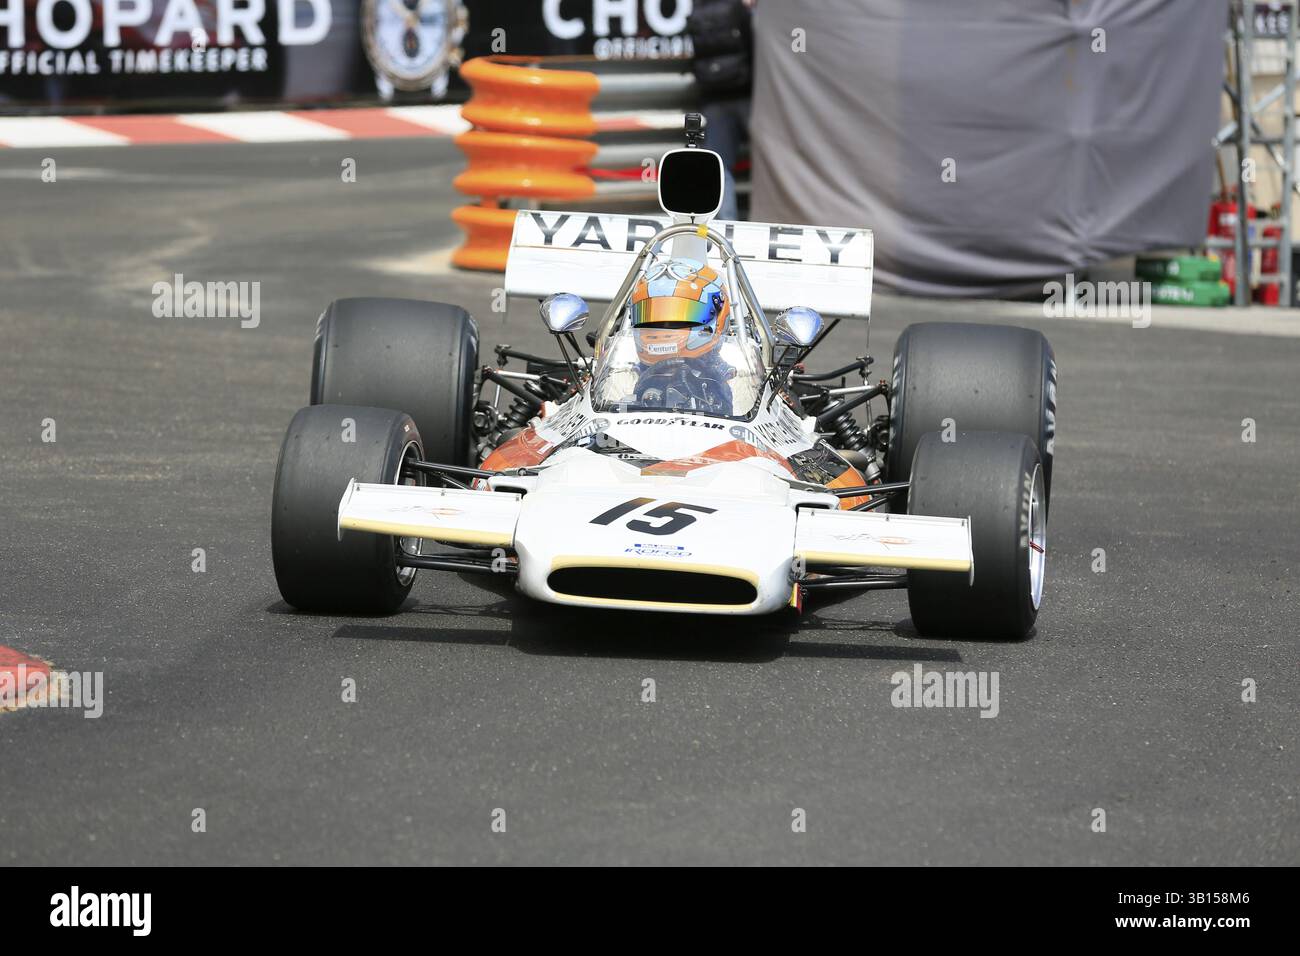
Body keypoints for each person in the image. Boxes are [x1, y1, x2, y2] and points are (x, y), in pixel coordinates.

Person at [626, 258, 737, 415]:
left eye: (680, 316)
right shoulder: (623, 376)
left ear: (718, 315)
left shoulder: (737, 378)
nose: (664, 327)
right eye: (652, 317)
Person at [687, 0, 755, 221]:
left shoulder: (700, 8)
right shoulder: (744, 9)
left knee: (719, 166)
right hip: (751, 96)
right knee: (774, 160)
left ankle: (727, 229)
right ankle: (776, 224)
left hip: (714, 98)